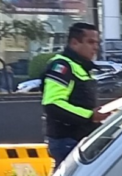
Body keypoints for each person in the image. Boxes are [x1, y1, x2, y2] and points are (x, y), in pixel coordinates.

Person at [42, 23, 107, 163]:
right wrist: (90, 115)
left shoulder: (79, 66)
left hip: (78, 139)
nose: (95, 47)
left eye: (97, 43)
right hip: (68, 140)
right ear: (74, 43)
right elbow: (53, 104)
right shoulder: (61, 66)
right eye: (90, 42)